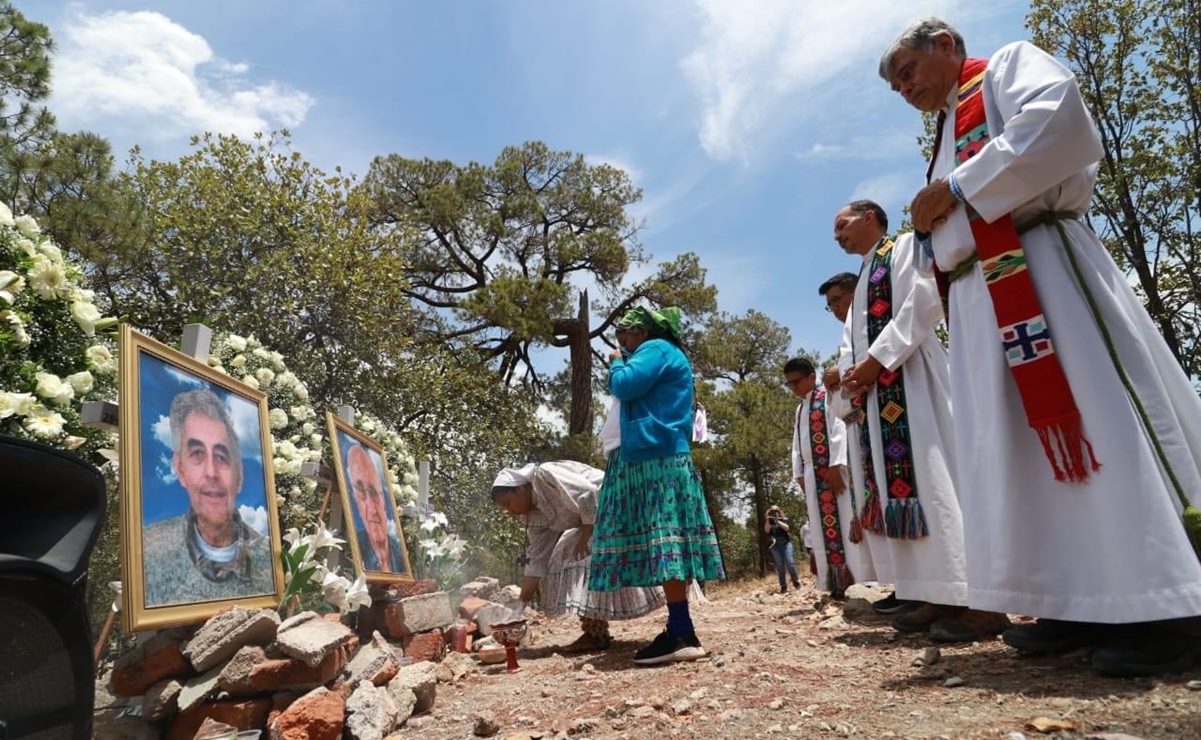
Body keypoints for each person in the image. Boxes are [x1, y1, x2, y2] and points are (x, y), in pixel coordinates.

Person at [882, 17, 1201, 675]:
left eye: (906, 71)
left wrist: (957, 187)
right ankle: (1079, 596)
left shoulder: (1005, 68)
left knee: (1096, 419)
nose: (902, 88)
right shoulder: (944, 132)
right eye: (894, 84)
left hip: (1040, 270)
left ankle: (1167, 605)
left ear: (944, 44)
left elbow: (1058, 124)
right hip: (981, 299)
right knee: (1023, 453)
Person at [834, 199, 1009, 642]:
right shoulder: (864, 278)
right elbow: (849, 346)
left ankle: (977, 599)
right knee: (909, 494)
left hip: (913, 379)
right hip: (882, 393)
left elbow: (925, 299)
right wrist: (856, 376)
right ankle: (937, 591)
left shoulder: (907, 247)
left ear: (870, 217)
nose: (837, 236)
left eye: (842, 225)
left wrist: (877, 359)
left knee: (934, 480)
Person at [589, 305, 725, 665]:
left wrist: (616, 361)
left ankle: (682, 631)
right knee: (662, 541)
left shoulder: (658, 349)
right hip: (650, 453)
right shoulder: (663, 352)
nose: (624, 344)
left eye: (627, 336)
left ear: (644, 331)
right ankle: (680, 627)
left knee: (665, 540)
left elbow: (625, 384)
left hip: (655, 458)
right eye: (620, 340)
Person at [491, 461, 666, 652]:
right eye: (504, 509)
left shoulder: (545, 476)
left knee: (581, 554)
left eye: (508, 503)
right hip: (593, 523)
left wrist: (587, 531)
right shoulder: (534, 519)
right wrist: (520, 606)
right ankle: (595, 632)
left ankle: (676, 611)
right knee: (565, 556)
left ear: (520, 488)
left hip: (616, 505)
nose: (510, 511)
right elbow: (537, 561)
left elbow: (588, 492)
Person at [143, 389, 273, 607]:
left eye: (222, 457)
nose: (211, 472)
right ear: (180, 469)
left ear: (239, 476)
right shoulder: (146, 549)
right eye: (197, 454)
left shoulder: (271, 559)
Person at [785, 356, 874, 599]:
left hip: (832, 469)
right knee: (818, 526)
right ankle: (832, 580)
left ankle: (856, 579)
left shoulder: (826, 396)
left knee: (844, 520)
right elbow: (796, 444)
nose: (793, 388)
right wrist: (798, 473)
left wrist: (835, 464)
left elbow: (838, 427)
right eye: (789, 384)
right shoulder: (801, 407)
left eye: (796, 382)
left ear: (812, 377)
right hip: (813, 472)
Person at [347, 444, 406, 573]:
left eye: (374, 493)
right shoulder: (351, 551)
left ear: (384, 501)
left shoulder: (401, 555)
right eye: (361, 492)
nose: (372, 509)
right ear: (355, 500)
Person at [763, 505, 801, 594]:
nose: (774, 512)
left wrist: (778, 521)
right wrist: (768, 520)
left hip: (786, 544)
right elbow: (767, 531)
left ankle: (795, 580)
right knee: (780, 566)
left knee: (790, 562)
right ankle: (783, 586)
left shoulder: (783, 519)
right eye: (772, 511)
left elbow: (787, 528)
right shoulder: (768, 521)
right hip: (775, 547)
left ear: (779, 511)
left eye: (776, 510)